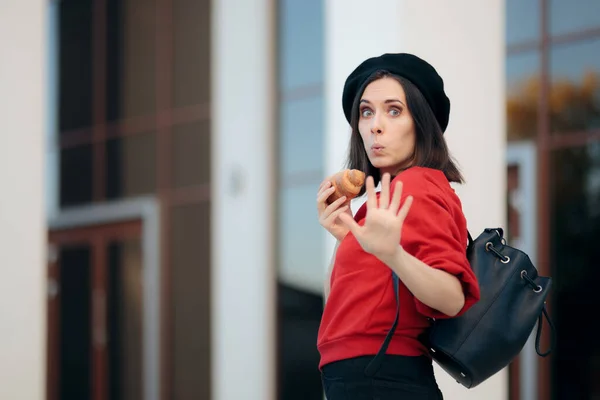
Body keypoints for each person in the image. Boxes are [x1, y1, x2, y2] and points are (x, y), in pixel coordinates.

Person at [315, 53, 481, 400]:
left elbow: (452, 298)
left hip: (385, 378)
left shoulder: (418, 185)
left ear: (420, 122)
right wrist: (345, 236)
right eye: (366, 111)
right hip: (355, 377)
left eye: (394, 110)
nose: (375, 125)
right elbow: (338, 312)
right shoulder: (380, 204)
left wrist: (392, 253)